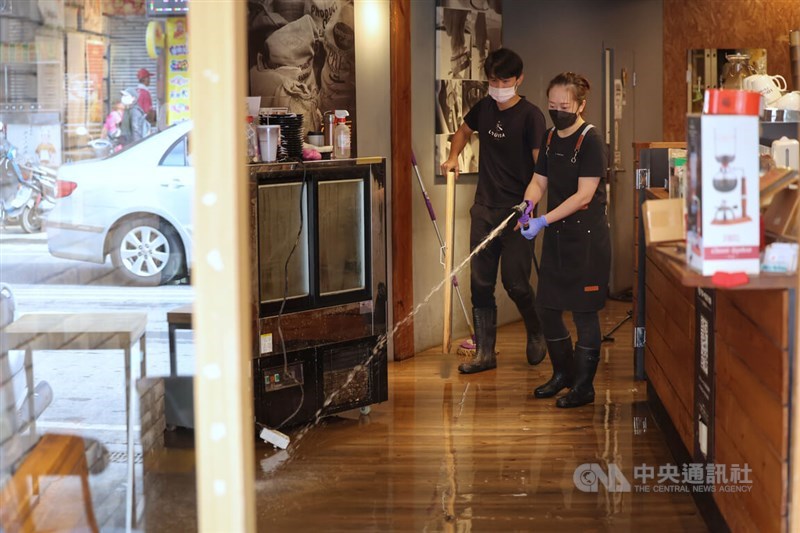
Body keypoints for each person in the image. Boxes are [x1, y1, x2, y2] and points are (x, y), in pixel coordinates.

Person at [440, 48, 547, 374]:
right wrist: (453, 157)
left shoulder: (531, 116)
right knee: (480, 283)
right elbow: (462, 131)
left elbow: (539, 170)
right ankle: (485, 353)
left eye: (504, 80)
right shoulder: (485, 108)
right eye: (493, 80)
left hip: (517, 212)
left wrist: (529, 211)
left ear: (519, 79)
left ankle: (536, 329)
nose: (498, 85)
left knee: (515, 282)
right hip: (485, 207)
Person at [519, 71, 610, 408]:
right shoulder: (548, 138)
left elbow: (584, 196)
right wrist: (528, 206)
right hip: (557, 237)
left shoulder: (591, 141)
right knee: (547, 308)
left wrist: (542, 219)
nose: (558, 111)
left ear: (581, 105)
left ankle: (584, 387)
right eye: (552, 105)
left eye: (564, 105)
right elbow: (538, 181)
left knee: (584, 314)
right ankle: (563, 375)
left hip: (586, 240)